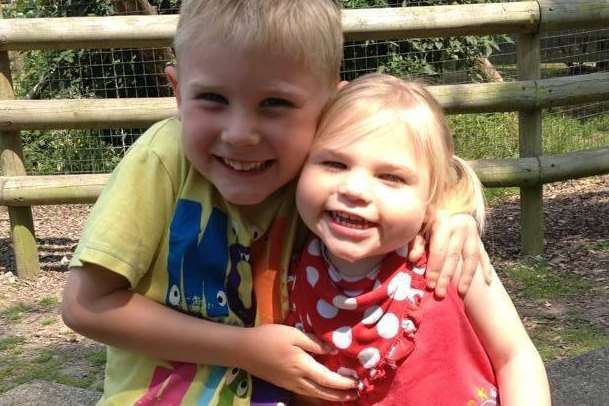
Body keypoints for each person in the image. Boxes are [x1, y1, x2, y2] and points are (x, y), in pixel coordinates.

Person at [61, 1, 491, 405]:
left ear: (328, 108)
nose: (240, 134)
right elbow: (85, 306)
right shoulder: (161, 160)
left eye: (275, 103)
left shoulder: (320, 175)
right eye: (212, 98)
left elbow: (414, 169)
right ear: (177, 92)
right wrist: (244, 349)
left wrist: (453, 214)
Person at [289, 73, 551, 405]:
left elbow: (515, 356)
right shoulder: (286, 260)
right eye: (334, 163)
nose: (354, 189)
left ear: (432, 198)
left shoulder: (449, 256)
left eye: (390, 177)